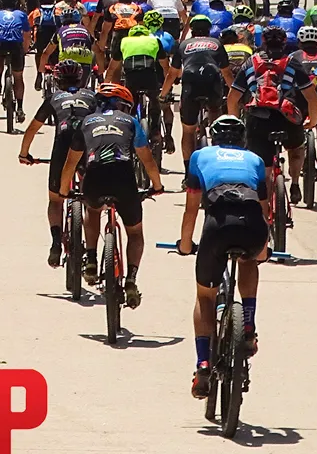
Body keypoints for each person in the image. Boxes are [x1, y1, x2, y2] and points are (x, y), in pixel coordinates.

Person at [178, 114, 269, 399]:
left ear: (213, 138)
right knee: (250, 260)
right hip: (252, 225)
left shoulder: (199, 156)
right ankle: (249, 325)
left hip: (217, 226)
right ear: (242, 140)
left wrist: (185, 243)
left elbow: (192, 207)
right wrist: (263, 249)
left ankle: (203, 362)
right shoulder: (255, 160)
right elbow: (264, 210)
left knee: (205, 296)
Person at [58, 82, 163, 295]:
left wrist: (63, 190)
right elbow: (147, 160)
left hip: (94, 178)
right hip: (123, 179)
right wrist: (157, 186)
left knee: (93, 210)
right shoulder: (131, 122)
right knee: (134, 233)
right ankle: (131, 279)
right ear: (124, 105)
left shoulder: (86, 122)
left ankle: (91, 259)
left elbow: (70, 163)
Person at [18, 61, 99, 268]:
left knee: (55, 200)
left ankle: (55, 242)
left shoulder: (53, 98)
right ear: (81, 78)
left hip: (62, 149)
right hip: (87, 146)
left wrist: (24, 154)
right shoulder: (91, 97)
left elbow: (33, 128)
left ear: (56, 79)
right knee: (91, 202)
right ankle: (91, 255)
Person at [227, 25, 317, 205]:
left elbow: (233, 97)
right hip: (287, 118)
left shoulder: (251, 63)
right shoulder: (292, 63)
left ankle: (264, 215)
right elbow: (312, 97)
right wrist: (312, 120)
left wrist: (235, 121)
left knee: (264, 170)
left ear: (262, 42)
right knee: (296, 148)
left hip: (258, 120)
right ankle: (294, 184)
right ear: (284, 43)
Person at [160, 16, 233, 172]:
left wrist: (163, 94)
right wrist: (233, 93)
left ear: (192, 30)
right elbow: (226, 73)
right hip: (212, 85)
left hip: (190, 86)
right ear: (209, 30)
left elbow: (172, 74)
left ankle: (188, 172)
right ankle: (217, 155)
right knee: (216, 118)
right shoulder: (216, 44)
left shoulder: (183, 45)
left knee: (188, 130)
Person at [290, 25, 317, 177]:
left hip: (299, 94)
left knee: (295, 126)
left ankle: (297, 154)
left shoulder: (294, 56)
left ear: (299, 41)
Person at [0, 0, 31, 118]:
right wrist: (25, 49)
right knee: (18, 77)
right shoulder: (21, 15)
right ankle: (20, 107)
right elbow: (27, 35)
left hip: (1, 44)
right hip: (16, 46)